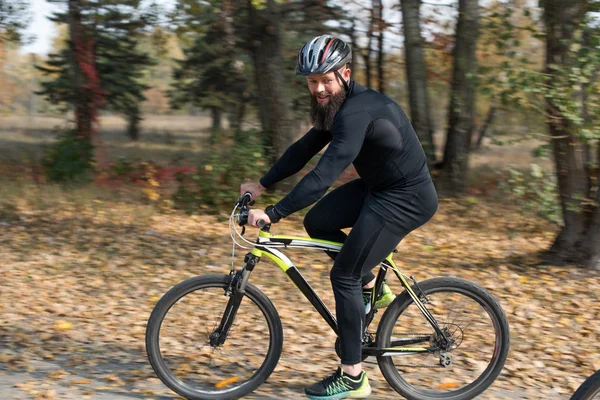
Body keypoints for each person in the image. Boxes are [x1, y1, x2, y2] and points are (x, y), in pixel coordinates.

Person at [240, 34, 438, 400]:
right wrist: (262, 183)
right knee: (318, 222)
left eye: (325, 80)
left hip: (406, 197)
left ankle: (353, 376)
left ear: (344, 73)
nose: (318, 88)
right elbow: (304, 150)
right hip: (379, 188)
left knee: (342, 275)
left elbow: (322, 176)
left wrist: (273, 213)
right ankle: (370, 290)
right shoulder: (335, 105)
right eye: (312, 81)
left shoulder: (357, 111)